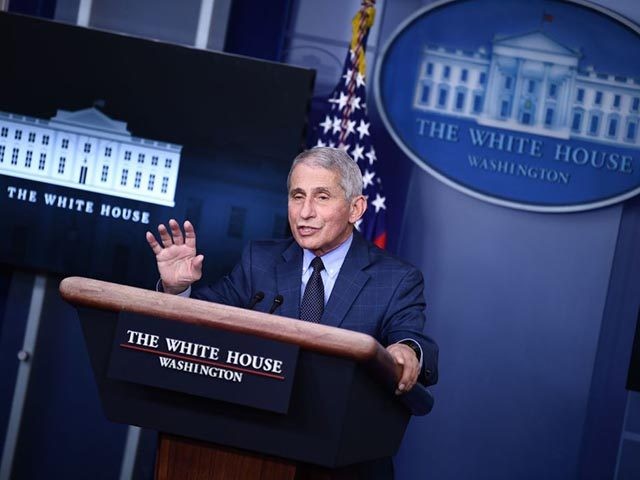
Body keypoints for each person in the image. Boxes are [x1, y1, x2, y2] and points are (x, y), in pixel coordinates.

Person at [146, 147, 438, 394]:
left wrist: (407, 352)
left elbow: (410, 339)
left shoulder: (396, 279)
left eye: (322, 197)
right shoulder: (260, 260)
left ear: (356, 209)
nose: (305, 212)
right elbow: (203, 318)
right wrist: (176, 290)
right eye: (298, 196)